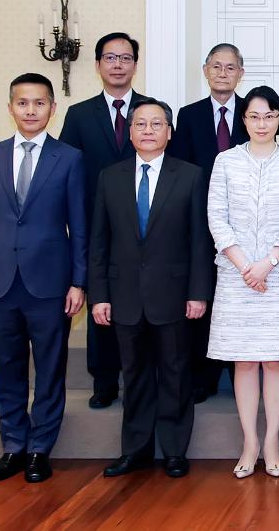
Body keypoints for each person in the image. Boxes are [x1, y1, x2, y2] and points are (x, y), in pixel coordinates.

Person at [0, 73, 87, 484]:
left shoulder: (69, 158)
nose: (30, 110)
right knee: (6, 367)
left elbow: (79, 226)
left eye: (39, 103)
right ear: (11, 107)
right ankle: (13, 446)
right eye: (22, 103)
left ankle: (39, 449)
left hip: (50, 283)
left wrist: (78, 282)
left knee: (50, 369)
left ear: (52, 108)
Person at [89, 97, 213, 479]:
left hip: (174, 294)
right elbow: (99, 242)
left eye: (156, 124)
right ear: (130, 132)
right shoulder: (110, 177)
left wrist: (198, 292)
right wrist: (99, 296)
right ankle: (135, 451)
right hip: (124, 295)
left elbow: (200, 241)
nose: (148, 130)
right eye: (140, 124)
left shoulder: (190, 176)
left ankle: (174, 450)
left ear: (169, 133)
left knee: (175, 373)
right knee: (135, 375)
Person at [207, 86, 279, 478]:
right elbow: (216, 217)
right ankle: (250, 441)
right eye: (254, 116)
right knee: (245, 360)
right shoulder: (225, 161)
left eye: (269, 116)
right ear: (244, 120)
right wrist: (244, 265)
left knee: (275, 359)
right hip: (236, 277)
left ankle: (272, 441)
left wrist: (267, 263)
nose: (262, 123)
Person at [60, 32, 143, 408]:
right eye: (110, 58)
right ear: (97, 65)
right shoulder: (79, 115)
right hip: (98, 224)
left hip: (145, 223)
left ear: (135, 65)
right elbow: (68, 170)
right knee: (102, 302)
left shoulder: (150, 111)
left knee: (142, 303)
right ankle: (105, 380)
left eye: (125, 58)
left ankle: (140, 378)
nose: (118, 65)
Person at [169, 43, 249, 403]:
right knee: (204, 295)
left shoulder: (252, 112)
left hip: (244, 224)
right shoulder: (188, 116)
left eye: (230, 67)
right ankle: (204, 375)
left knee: (238, 300)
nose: (222, 73)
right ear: (205, 71)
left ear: (240, 73)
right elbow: (181, 169)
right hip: (200, 222)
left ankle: (238, 372)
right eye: (216, 66)